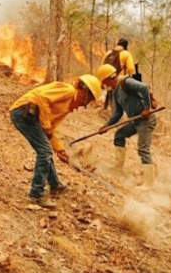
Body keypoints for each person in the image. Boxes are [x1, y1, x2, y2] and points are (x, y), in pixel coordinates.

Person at [10, 75, 102, 208]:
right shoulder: (68, 90)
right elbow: (41, 97)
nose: (85, 104)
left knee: (46, 149)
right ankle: (35, 195)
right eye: (88, 100)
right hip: (23, 111)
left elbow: (52, 127)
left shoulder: (68, 105)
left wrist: (60, 149)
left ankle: (55, 185)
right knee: (45, 151)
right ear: (84, 91)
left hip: (33, 115)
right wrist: (46, 125)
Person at [96, 64, 157, 186]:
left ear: (109, 78)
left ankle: (150, 185)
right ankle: (117, 168)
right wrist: (107, 126)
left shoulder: (126, 82)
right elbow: (118, 113)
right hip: (136, 121)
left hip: (146, 120)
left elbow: (145, 88)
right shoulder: (115, 93)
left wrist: (146, 108)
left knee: (143, 149)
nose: (104, 85)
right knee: (119, 135)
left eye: (104, 82)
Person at [102, 38, 135, 110]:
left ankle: (107, 110)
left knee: (110, 99)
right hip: (119, 81)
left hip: (107, 81)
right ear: (126, 46)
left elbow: (102, 67)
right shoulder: (126, 54)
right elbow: (131, 69)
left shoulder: (108, 53)